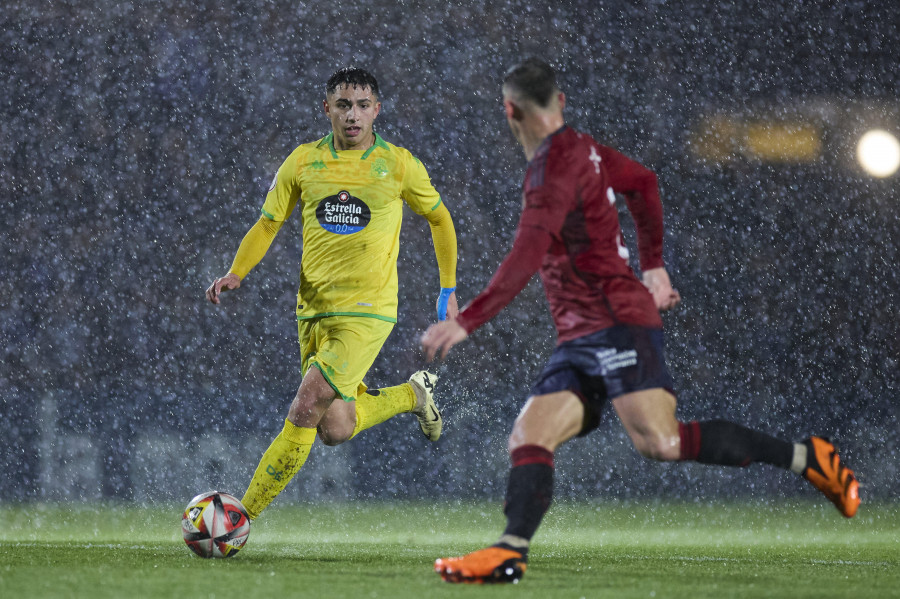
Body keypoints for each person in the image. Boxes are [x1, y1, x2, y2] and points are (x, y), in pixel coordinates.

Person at [421, 58, 859, 584]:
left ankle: (807, 456)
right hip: (581, 334)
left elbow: (527, 252)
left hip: (615, 323)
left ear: (510, 110)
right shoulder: (585, 149)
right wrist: (653, 262)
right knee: (528, 435)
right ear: (559, 103)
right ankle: (509, 552)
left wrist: (466, 320)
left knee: (661, 443)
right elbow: (644, 183)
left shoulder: (548, 173)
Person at [207, 67, 458, 521]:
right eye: (343, 104)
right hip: (313, 311)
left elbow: (440, 218)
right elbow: (269, 223)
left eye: (363, 105)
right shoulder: (303, 161)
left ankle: (240, 518)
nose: (353, 115)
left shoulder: (398, 164)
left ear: (377, 110)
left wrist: (448, 289)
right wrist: (236, 271)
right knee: (334, 427)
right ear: (327, 109)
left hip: (369, 310)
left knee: (307, 402)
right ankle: (413, 396)